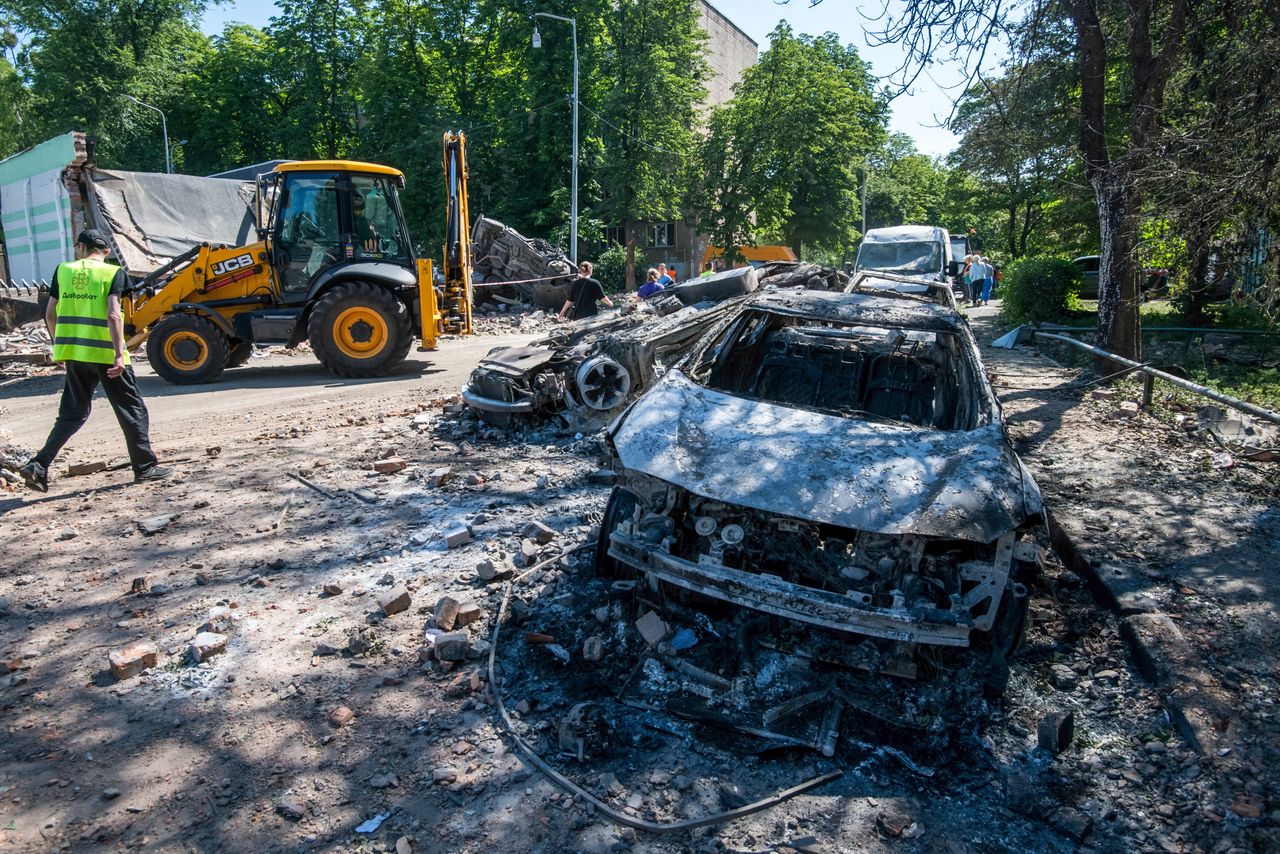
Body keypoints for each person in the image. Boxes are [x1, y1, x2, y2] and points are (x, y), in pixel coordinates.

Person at [18, 230, 171, 492]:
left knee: (72, 413)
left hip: (75, 354)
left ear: (80, 247)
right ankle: (145, 467)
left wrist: (60, 348)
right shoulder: (112, 273)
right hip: (105, 354)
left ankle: (39, 465)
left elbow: (50, 313)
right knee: (131, 409)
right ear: (106, 251)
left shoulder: (63, 270)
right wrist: (117, 354)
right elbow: (113, 315)